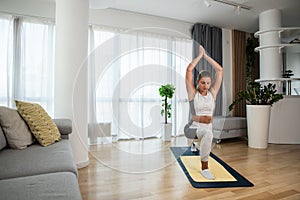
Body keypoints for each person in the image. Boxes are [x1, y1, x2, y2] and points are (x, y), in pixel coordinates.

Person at [185, 45, 223, 180]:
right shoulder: (193, 94)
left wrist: (207, 57)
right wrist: (200, 56)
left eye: (207, 83)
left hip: (206, 129)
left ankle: (198, 144)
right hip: (193, 129)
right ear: (197, 82)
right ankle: (205, 168)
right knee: (208, 133)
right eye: (202, 83)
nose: (205, 86)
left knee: (208, 132)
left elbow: (219, 70)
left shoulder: (212, 94)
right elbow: (189, 70)